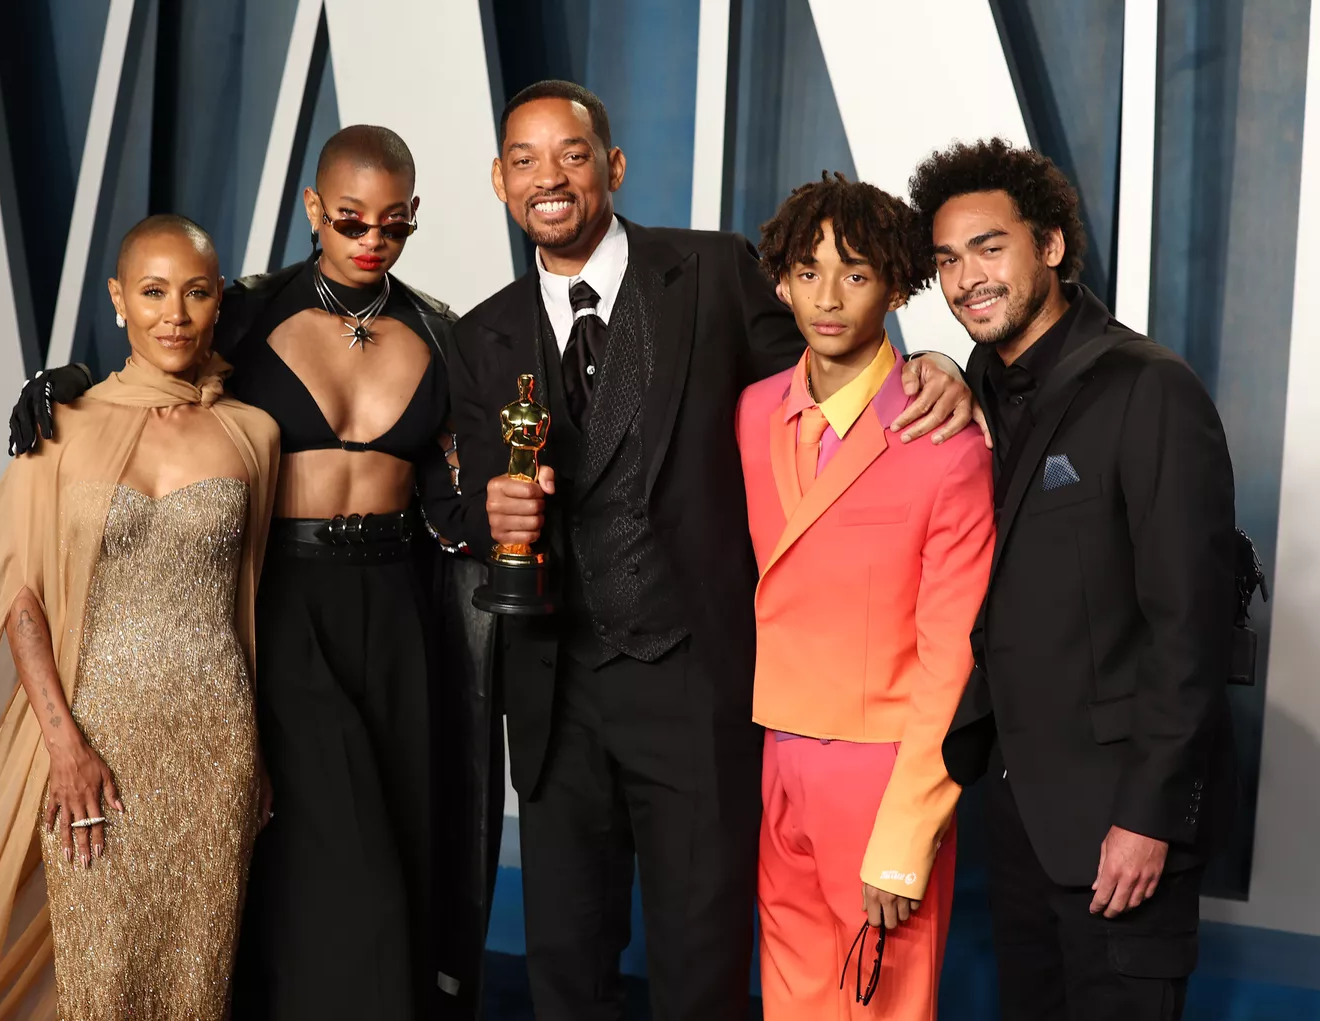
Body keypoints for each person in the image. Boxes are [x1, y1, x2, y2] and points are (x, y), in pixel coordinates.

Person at [448, 80, 980, 1021]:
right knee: (565, 968)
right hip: (555, 694)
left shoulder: (713, 271)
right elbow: (478, 493)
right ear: (498, 180)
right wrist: (487, 509)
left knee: (703, 963)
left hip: (697, 686)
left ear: (611, 165)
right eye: (524, 161)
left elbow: (833, 369)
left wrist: (933, 359)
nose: (549, 178)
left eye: (571, 153)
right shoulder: (481, 333)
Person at [6, 126, 497, 1021]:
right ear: (315, 209)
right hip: (286, 605)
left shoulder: (441, 330)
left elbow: (453, 500)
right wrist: (69, 379)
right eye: (350, 219)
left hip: (398, 608)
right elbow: (160, 354)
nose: (370, 240)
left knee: (405, 846)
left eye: (393, 224)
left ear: (415, 217)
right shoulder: (246, 310)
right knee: (340, 866)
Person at [0, 215, 280, 1020]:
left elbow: (251, 598)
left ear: (218, 304)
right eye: (152, 291)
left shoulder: (254, 434)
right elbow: (20, 601)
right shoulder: (58, 428)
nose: (174, 313)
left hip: (215, 741)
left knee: (194, 975)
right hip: (92, 736)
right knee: (95, 968)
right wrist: (63, 743)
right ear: (118, 301)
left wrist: (258, 753)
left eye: (196, 292)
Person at [914, 139, 1238, 1021]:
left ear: (1050, 246)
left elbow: (1192, 632)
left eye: (989, 247)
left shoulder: (1150, 389)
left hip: (1123, 831)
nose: (966, 277)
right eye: (947, 259)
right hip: (1019, 826)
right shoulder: (976, 381)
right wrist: (941, 369)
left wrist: (1150, 820)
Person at [735, 173, 995, 1020]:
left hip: (884, 770)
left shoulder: (945, 442)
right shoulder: (751, 412)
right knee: (792, 995)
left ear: (895, 283)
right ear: (780, 283)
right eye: (807, 272)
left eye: (853, 272)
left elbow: (952, 655)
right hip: (777, 751)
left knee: (880, 1004)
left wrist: (908, 830)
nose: (828, 296)